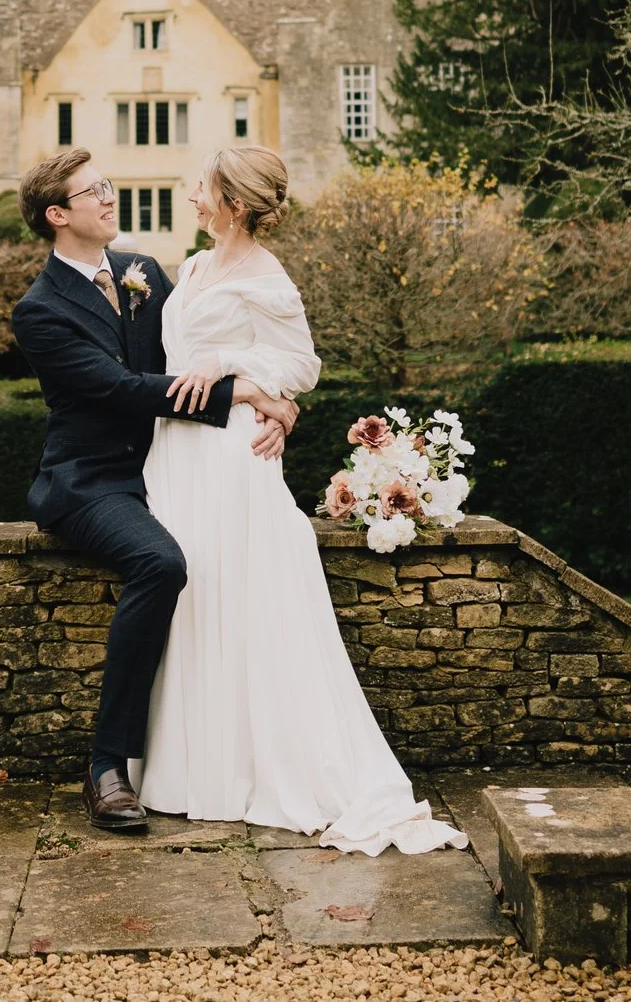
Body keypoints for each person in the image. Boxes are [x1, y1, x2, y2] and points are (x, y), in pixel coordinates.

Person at [137, 145, 468, 856]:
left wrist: (239, 369)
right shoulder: (192, 267)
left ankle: (250, 771)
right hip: (175, 453)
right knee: (189, 603)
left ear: (232, 203)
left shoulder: (267, 275)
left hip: (230, 456)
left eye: (202, 187)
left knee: (234, 600)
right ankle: (191, 770)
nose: (190, 194)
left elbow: (301, 363)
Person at [10, 148, 301, 833]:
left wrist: (277, 405)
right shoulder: (40, 310)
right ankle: (108, 765)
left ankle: (225, 751)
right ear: (58, 215)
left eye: (108, 186)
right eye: (94, 192)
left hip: (174, 464)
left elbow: (202, 350)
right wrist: (247, 392)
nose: (110, 198)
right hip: (93, 480)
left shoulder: (143, 274)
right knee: (161, 564)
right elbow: (120, 390)